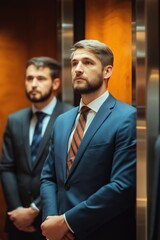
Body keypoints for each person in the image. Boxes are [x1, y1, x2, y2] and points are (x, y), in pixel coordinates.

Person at [40, 40, 136, 240]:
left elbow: (122, 186)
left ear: (107, 71)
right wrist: (52, 221)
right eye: (74, 63)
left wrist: (69, 222)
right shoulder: (62, 121)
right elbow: (48, 177)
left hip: (102, 232)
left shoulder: (127, 118)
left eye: (87, 63)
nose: (78, 69)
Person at [0, 56, 72, 240]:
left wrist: (33, 211)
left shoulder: (70, 117)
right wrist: (17, 210)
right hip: (17, 222)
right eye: (29, 78)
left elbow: (65, 172)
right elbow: (7, 167)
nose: (33, 84)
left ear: (55, 83)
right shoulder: (15, 120)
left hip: (54, 218)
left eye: (40, 78)